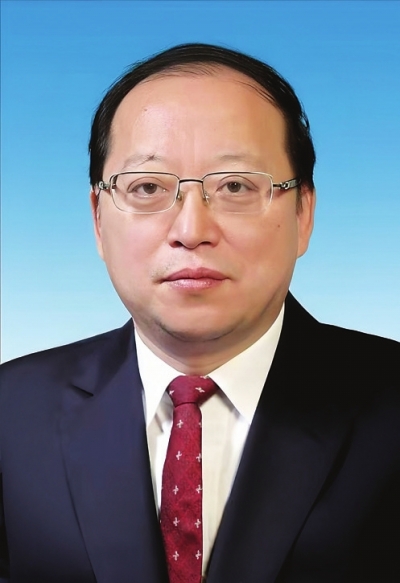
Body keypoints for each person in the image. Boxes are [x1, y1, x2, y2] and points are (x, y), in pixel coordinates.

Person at [0, 43, 399, 583]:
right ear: (97, 219)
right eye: (147, 187)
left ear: (304, 212)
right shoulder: (11, 413)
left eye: (235, 186)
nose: (191, 231)